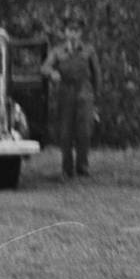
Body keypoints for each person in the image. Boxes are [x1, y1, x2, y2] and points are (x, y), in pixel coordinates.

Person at [41, 17, 100, 179]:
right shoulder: (57, 51)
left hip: (85, 92)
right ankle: (67, 169)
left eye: (76, 31)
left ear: (80, 33)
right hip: (66, 92)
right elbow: (44, 67)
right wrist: (52, 73)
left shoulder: (89, 50)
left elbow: (97, 76)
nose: (73, 34)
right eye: (70, 30)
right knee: (65, 132)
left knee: (85, 131)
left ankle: (82, 166)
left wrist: (96, 100)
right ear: (65, 32)